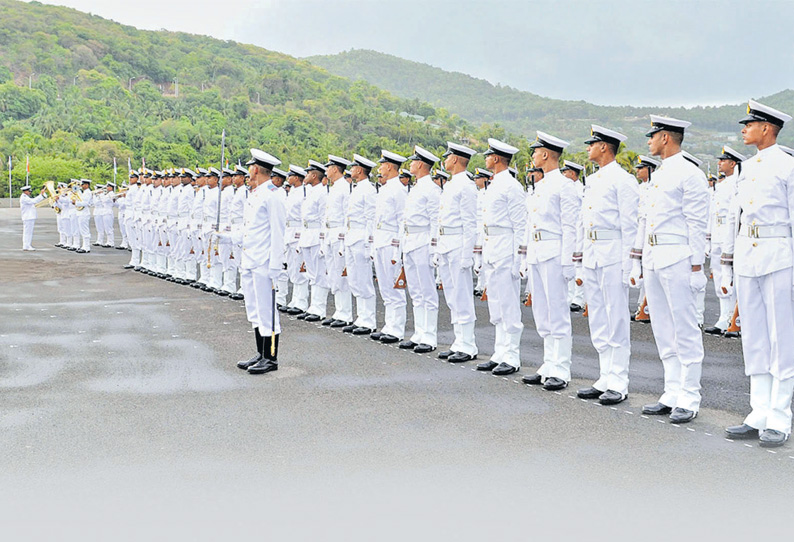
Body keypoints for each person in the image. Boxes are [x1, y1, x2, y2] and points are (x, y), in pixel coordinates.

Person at [723, 100, 794, 447]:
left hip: (778, 255)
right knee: (754, 337)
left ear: (767, 128)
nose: (744, 130)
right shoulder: (747, 168)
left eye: (749, 124)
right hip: (748, 255)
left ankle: (780, 417)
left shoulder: (787, 165)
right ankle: (759, 411)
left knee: (782, 338)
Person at [630, 115, 709, 424]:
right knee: (663, 328)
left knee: (685, 328)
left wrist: (696, 267)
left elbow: (696, 224)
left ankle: (690, 396)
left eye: (653, 135)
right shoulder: (660, 174)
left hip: (677, 256)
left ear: (666, 138)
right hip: (654, 255)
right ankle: (671, 390)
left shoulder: (689, 174)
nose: (649, 140)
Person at [574, 125, 639, 405]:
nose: (588, 147)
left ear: (604, 147)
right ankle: (604, 375)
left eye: (592, 143)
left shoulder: (623, 180)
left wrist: (628, 265)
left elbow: (630, 225)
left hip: (613, 253)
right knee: (598, 316)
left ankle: (619, 380)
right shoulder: (594, 179)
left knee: (616, 318)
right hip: (593, 252)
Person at [520, 132, 580, 390]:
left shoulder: (564, 185)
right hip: (537, 251)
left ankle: (561, 368)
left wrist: (568, 261)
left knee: (557, 311)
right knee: (542, 311)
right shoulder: (541, 185)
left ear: (545, 154)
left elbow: (570, 227)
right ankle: (548, 363)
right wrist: (525, 256)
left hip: (555, 252)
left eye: (535, 151)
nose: (533, 155)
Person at [474, 138, 527, 376]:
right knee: (495, 302)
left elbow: (520, 225)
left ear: (496, 158)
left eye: (488, 155)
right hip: (492, 246)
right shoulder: (493, 184)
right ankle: (499, 352)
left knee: (508, 303)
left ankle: (512, 355)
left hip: (506, 247)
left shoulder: (511, 186)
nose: (485, 159)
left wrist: (518, 259)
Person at [235, 149, 286, 375]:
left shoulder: (273, 194)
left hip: (265, 262)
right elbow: (251, 230)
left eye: (250, 167)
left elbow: (278, 231)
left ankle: (271, 357)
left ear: (256, 169)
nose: (248, 171)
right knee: (254, 308)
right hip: (250, 259)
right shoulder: (255, 194)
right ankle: (260, 352)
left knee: (267, 310)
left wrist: (276, 265)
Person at [436, 143, 479, 362]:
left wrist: (466, 255)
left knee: (462, 296)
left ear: (455, 159)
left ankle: (468, 344)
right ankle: (458, 341)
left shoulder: (466, 186)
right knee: (452, 296)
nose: (445, 159)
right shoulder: (452, 185)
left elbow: (470, 224)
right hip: (446, 244)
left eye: (447, 156)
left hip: (458, 245)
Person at [399, 145, 442, 353]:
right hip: (410, 240)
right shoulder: (415, 187)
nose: (410, 164)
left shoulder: (432, 189)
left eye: (414, 161)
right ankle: (418, 332)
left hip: (423, 241)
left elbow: (435, 221)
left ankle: (430, 336)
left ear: (422, 165)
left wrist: (434, 249)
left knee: (427, 290)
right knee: (415, 290)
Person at [703, 146, 744, 335]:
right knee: (719, 277)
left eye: (723, 160)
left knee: (732, 278)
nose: (719, 163)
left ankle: (735, 319)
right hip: (718, 235)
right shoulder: (722, 184)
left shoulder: (738, 182)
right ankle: (723, 317)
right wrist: (709, 240)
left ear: (733, 163)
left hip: (731, 236)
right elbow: (713, 213)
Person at [370, 150, 408, 343]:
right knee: (385, 286)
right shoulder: (385, 188)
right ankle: (388, 325)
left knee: (395, 286)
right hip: (380, 239)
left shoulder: (399, 190)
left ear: (390, 167)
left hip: (391, 241)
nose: (380, 168)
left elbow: (402, 221)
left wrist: (397, 249)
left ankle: (397, 328)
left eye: (382, 165)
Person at [344, 154, 379, 335]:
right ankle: (361, 317)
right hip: (351, 236)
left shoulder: (368, 190)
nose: (351, 170)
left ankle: (369, 319)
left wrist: (368, 244)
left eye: (353, 167)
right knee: (355, 279)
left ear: (359, 170)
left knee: (364, 280)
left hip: (361, 238)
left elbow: (370, 218)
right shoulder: (357, 188)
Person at [322, 155, 354, 326]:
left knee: (341, 274)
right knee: (334, 274)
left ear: (335, 168)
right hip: (330, 233)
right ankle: (339, 310)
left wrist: (342, 239)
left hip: (339, 234)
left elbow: (346, 215)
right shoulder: (335, 187)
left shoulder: (344, 188)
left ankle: (346, 313)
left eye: (328, 167)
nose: (326, 170)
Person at [298, 160, 330, 322]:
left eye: (308, 173)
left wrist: (324, 240)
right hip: (307, 234)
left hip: (317, 234)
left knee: (319, 273)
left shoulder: (322, 192)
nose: (305, 176)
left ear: (315, 175)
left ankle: (319, 308)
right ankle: (313, 306)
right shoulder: (310, 191)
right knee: (312, 273)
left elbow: (324, 217)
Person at [631, 155, 660, 321]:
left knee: (649, 271)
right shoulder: (639, 187)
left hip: (650, 232)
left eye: (641, 168)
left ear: (650, 169)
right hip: (639, 229)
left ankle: (647, 308)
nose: (637, 171)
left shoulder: (655, 187)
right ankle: (641, 306)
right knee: (642, 271)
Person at [561, 160, 586, 312]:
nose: (563, 174)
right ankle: (571, 296)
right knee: (570, 264)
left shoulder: (581, 189)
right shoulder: (566, 188)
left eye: (566, 172)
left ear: (573, 173)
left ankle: (579, 298)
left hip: (579, 231)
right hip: (570, 230)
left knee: (579, 266)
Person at [19, 184, 46, 251]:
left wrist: (41, 195)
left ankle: (27, 245)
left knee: (28, 232)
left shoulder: (26, 197)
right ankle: (26, 245)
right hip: (28, 217)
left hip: (29, 217)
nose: (30, 192)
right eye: (29, 191)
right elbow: (33, 201)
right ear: (25, 191)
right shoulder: (24, 198)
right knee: (28, 232)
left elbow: (33, 201)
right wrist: (41, 195)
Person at [75, 179, 94, 253]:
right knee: (82, 230)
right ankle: (84, 246)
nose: (81, 186)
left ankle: (86, 247)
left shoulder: (88, 193)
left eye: (83, 184)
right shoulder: (84, 193)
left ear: (87, 185)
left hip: (84, 213)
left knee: (85, 231)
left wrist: (76, 202)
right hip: (81, 213)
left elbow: (85, 203)